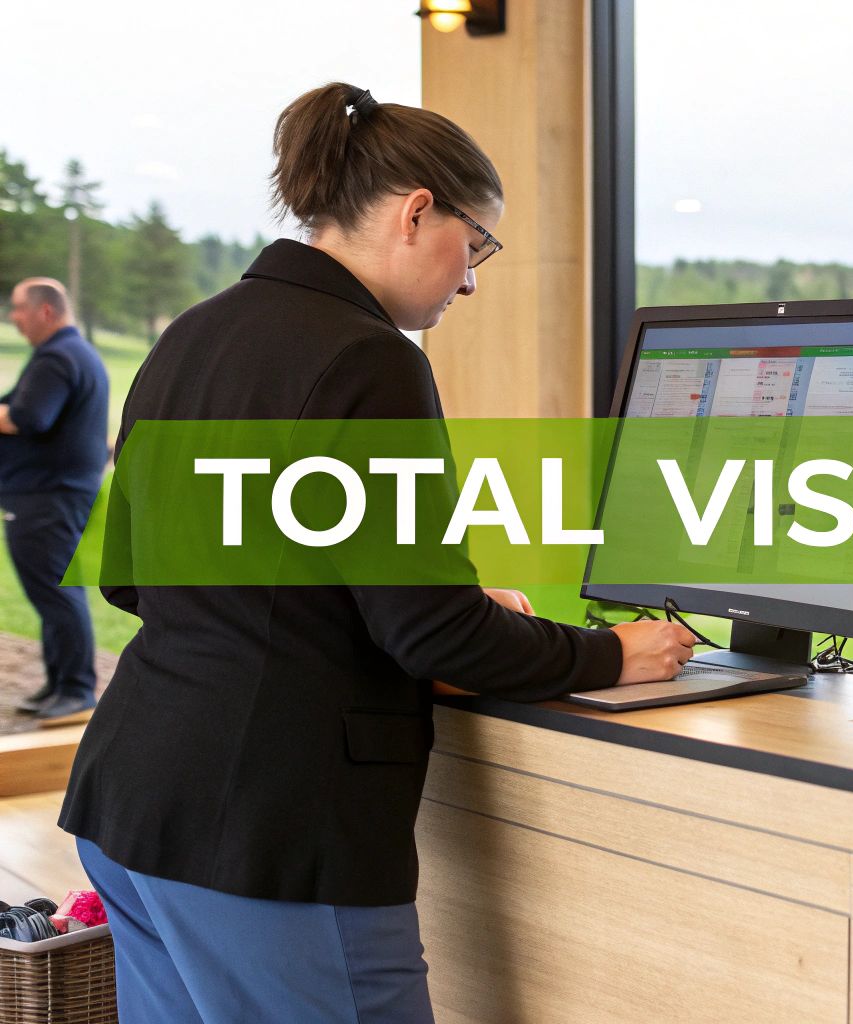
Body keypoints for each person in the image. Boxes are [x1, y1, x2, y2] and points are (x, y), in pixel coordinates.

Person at [58, 83, 696, 1023]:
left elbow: (134, 577)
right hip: (271, 834)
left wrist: (394, 606)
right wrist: (612, 652)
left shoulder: (195, 332)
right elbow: (433, 635)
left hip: (133, 802)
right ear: (416, 212)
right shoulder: (371, 359)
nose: (470, 281)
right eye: (476, 245)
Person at [1, 277, 109, 725]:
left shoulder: (58, 358)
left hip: (47, 495)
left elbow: (29, 417)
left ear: (45, 310)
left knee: (56, 592)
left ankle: (77, 690)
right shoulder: (70, 353)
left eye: (19, 308)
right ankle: (60, 683)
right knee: (52, 590)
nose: (14, 318)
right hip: (56, 493)